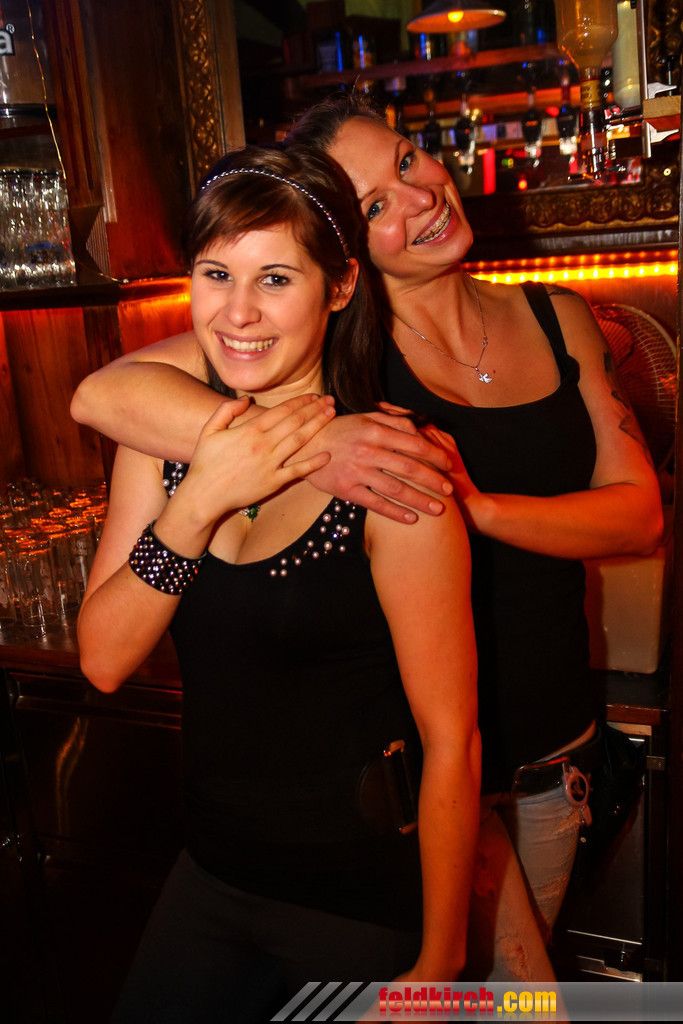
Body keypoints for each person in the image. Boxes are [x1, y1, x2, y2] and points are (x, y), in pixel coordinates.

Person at [72, 96, 663, 982]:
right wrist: (255, 467)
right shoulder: (298, 381)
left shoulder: (523, 342)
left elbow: (638, 518)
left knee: (518, 1002)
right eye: (375, 203)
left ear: (332, 282)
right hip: (272, 844)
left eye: (407, 161)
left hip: (483, 782)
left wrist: (471, 505)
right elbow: (101, 398)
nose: (417, 198)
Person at [77, 145, 480, 1022]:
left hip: (355, 901)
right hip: (212, 874)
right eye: (216, 274)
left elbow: (451, 738)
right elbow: (103, 661)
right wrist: (196, 504)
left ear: (339, 286)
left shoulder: (388, 474)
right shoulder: (163, 444)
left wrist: (440, 959)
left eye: (275, 279)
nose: (238, 313)